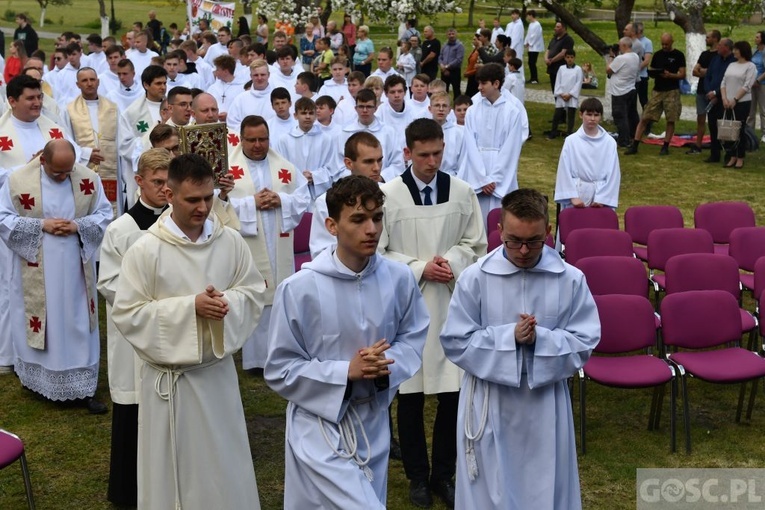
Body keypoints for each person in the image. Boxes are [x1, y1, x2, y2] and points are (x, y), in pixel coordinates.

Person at [111, 153, 265, 510]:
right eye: (192, 199)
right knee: (173, 474)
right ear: (169, 194)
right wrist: (189, 308)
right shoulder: (147, 249)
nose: (203, 208)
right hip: (170, 387)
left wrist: (226, 303)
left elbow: (253, 292)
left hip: (215, 378)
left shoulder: (230, 242)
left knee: (223, 466)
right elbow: (128, 313)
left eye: (208, 198)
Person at [266, 174, 428, 509]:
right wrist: (345, 372)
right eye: (358, 219)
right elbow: (280, 368)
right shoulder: (300, 288)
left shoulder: (398, 279)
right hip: (317, 425)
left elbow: (412, 337)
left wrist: (384, 368)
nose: (371, 229)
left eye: (377, 218)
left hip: (372, 419)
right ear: (331, 225)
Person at [440, 188, 600, 510]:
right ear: (499, 230)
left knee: (543, 485)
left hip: (544, 402)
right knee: (491, 488)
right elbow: (456, 340)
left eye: (534, 241)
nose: (523, 251)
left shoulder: (569, 279)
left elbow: (584, 339)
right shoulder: (476, 277)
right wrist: (507, 338)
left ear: (549, 233)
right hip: (490, 399)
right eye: (513, 240)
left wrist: (541, 339)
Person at [379, 118, 486, 509]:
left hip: (450, 302)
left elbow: (475, 242)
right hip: (407, 307)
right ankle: (417, 477)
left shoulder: (461, 192)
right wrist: (419, 267)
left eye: (438, 153)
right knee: (409, 396)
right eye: (423, 154)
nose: (431, 161)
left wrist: (451, 262)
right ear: (407, 152)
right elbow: (379, 250)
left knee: (451, 394)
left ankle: (444, 473)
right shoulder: (389, 195)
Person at [0, 139, 112, 412]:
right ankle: (38, 380)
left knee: (75, 319)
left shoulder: (88, 179)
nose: (65, 177)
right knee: (44, 321)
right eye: (57, 172)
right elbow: (3, 218)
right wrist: (42, 225)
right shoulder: (17, 181)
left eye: (68, 170)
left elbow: (104, 213)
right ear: (42, 161)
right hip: (36, 265)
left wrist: (77, 225)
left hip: (75, 266)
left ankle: (83, 388)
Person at [97, 148, 171, 506]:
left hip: (173, 330)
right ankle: (127, 491)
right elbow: (108, 281)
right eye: (157, 182)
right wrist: (151, 303)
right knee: (133, 411)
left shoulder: (179, 222)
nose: (164, 189)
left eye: (169, 182)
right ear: (139, 181)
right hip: (135, 335)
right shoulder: (121, 229)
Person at [226, 115, 310, 370]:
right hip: (248, 243)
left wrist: (280, 201)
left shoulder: (284, 167)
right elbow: (219, 208)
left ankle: (283, 351)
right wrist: (253, 203)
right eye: (251, 140)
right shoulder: (229, 170)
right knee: (254, 292)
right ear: (241, 139)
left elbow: (303, 198)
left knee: (280, 291)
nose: (257, 145)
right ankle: (255, 359)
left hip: (278, 238)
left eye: (263, 139)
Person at [461, 63, 525, 225]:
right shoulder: (473, 110)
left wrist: (495, 179)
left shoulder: (512, 111)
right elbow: (470, 145)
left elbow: (510, 149)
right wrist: (482, 179)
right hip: (477, 171)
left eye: (484, 83)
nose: (479, 87)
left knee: (500, 220)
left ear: (496, 84)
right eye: (479, 83)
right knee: (477, 222)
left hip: (501, 175)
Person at [310, 131, 383, 257]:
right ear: (349, 163)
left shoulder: (390, 194)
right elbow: (321, 252)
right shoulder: (325, 202)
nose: (376, 168)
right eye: (369, 161)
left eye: (379, 160)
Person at [62, 67, 121, 214]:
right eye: (84, 80)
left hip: (110, 170)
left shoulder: (112, 108)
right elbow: (66, 141)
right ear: (78, 84)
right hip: (82, 167)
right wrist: (86, 154)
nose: (89, 83)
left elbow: (122, 140)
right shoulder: (69, 110)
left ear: (98, 82)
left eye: (92, 79)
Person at [554, 97, 620, 212]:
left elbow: (614, 173)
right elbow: (564, 170)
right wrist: (573, 196)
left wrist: (602, 198)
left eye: (596, 115)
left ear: (601, 116)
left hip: (600, 194)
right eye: (589, 114)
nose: (592, 119)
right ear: (581, 115)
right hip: (577, 193)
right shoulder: (571, 141)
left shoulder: (609, 143)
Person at [626, 33, 686, 156]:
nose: (664, 46)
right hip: (657, 90)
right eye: (662, 44)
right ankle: (635, 144)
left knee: (671, 119)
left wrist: (671, 75)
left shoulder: (678, 55)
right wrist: (654, 73)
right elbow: (652, 69)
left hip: (671, 91)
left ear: (672, 42)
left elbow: (682, 74)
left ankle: (665, 146)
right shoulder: (658, 54)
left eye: (666, 44)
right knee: (645, 117)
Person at [720, 40, 757, 169]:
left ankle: (740, 157)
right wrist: (725, 98)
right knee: (729, 130)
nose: (734, 51)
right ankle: (731, 156)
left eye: (736, 49)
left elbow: (747, 86)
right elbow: (723, 82)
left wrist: (735, 99)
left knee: (739, 130)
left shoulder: (750, 66)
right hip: (728, 102)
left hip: (742, 102)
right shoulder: (731, 65)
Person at [701, 38, 736, 164]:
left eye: (720, 46)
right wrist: (709, 91)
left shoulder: (733, 62)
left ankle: (729, 153)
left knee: (725, 127)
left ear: (726, 47)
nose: (718, 48)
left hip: (725, 99)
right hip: (712, 98)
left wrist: (716, 93)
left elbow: (728, 81)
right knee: (712, 126)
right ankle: (714, 154)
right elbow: (708, 76)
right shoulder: (715, 59)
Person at [687, 31, 721, 155]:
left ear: (715, 39)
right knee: (700, 118)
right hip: (701, 90)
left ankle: (716, 145)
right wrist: (706, 72)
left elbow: (717, 72)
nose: (705, 39)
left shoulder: (719, 55)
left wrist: (705, 71)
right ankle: (698, 145)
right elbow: (695, 71)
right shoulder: (704, 54)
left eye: (708, 37)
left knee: (715, 120)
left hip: (714, 91)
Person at [606, 37, 641, 148]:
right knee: (631, 115)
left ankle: (623, 140)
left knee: (620, 117)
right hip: (631, 88)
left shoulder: (621, 58)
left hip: (619, 91)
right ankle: (632, 136)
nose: (619, 48)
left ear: (625, 46)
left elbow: (608, 70)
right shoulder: (635, 56)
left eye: (620, 46)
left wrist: (611, 56)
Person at [544, 21, 575, 94]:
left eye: (558, 27)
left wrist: (552, 60)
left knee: (560, 89)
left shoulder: (568, 39)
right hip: (552, 67)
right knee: (554, 88)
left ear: (564, 28)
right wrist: (546, 59)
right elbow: (548, 50)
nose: (555, 28)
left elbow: (563, 53)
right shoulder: (554, 38)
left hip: (560, 67)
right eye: (555, 27)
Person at [747, 31, 765, 143]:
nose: (755, 38)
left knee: (763, 109)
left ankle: (764, 133)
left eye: (757, 37)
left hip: (762, 84)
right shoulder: (754, 51)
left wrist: (758, 80)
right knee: (750, 110)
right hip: (751, 83)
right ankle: (750, 132)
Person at [439, 28, 464, 97]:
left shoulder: (459, 46)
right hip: (443, 71)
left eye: (453, 34)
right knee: (443, 90)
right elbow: (440, 57)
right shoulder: (444, 45)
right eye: (449, 34)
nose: (451, 35)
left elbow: (458, 59)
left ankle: (457, 105)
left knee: (456, 91)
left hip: (454, 71)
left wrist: (447, 66)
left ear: (456, 34)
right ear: (446, 35)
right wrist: (441, 65)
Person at [524, 10, 543, 84]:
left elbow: (535, 35)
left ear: (531, 15)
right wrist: (526, 42)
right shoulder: (531, 24)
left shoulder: (537, 25)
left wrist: (530, 43)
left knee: (532, 62)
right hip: (531, 46)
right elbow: (529, 34)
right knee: (530, 62)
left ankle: (535, 78)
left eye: (528, 15)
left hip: (535, 46)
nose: (527, 17)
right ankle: (532, 77)